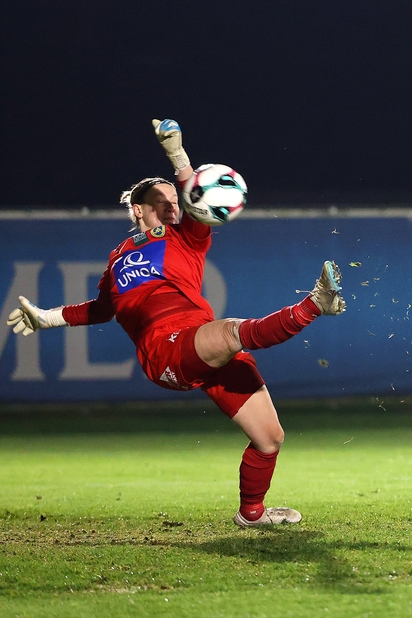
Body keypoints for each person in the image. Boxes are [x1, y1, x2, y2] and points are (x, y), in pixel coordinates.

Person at [6, 119, 346, 528]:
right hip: (164, 350)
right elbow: (101, 309)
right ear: (138, 208)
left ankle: (251, 513)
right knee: (230, 332)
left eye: (176, 200)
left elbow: (198, 198)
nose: (172, 206)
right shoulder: (116, 259)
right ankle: (315, 304)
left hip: (196, 340)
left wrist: (177, 157)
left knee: (270, 439)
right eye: (161, 201)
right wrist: (46, 318)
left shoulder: (187, 237)